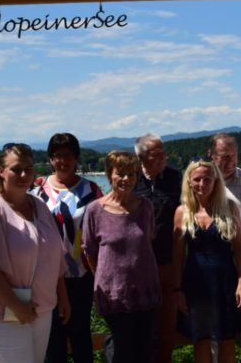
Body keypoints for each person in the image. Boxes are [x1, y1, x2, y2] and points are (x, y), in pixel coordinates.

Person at [0, 143, 69, 363]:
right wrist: (17, 306)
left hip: (40, 308)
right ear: (1, 171)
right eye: (16, 169)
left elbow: (54, 255)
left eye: (29, 169)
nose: (23, 175)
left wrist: (62, 295)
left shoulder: (39, 205)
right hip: (2, 312)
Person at [83, 151, 160, 363]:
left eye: (132, 174)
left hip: (145, 288)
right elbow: (89, 250)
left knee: (145, 349)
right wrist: (103, 278)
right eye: (121, 173)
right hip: (114, 293)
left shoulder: (146, 207)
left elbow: (147, 242)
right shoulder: (94, 210)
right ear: (110, 175)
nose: (127, 179)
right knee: (122, 350)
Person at [30, 133, 102, 363]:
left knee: (81, 335)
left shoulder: (91, 190)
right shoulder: (38, 191)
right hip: (47, 275)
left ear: (77, 158)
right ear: (51, 159)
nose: (63, 161)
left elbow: (101, 230)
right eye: (58, 156)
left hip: (82, 274)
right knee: (53, 340)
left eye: (68, 155)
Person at [172, 160, 241, 363]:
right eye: (197, 179)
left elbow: (240, 248)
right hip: (195, 284)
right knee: (201, 340)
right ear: (189, 182)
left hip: (225, 281)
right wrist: (177, 289)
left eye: (207, 179)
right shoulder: (182, 212)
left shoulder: (230, 208)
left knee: (227, 340)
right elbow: (178, 255)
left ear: (216, 181)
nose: (202, 183)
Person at [132, 134, 183, 363]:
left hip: (168, 265)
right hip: (137, 269)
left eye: (164, 151)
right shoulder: (131, 180)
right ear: (142, 156)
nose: (163, 156)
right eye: (157, 152)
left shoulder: (174, 178)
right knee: (141, 330)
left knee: (166, 331)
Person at [208, 133, 241, 363]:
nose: (230, 162)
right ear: (211, 156)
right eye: (224, 156)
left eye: (234, 156)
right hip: (211, 266)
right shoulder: (201, 182)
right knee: (214, 327)